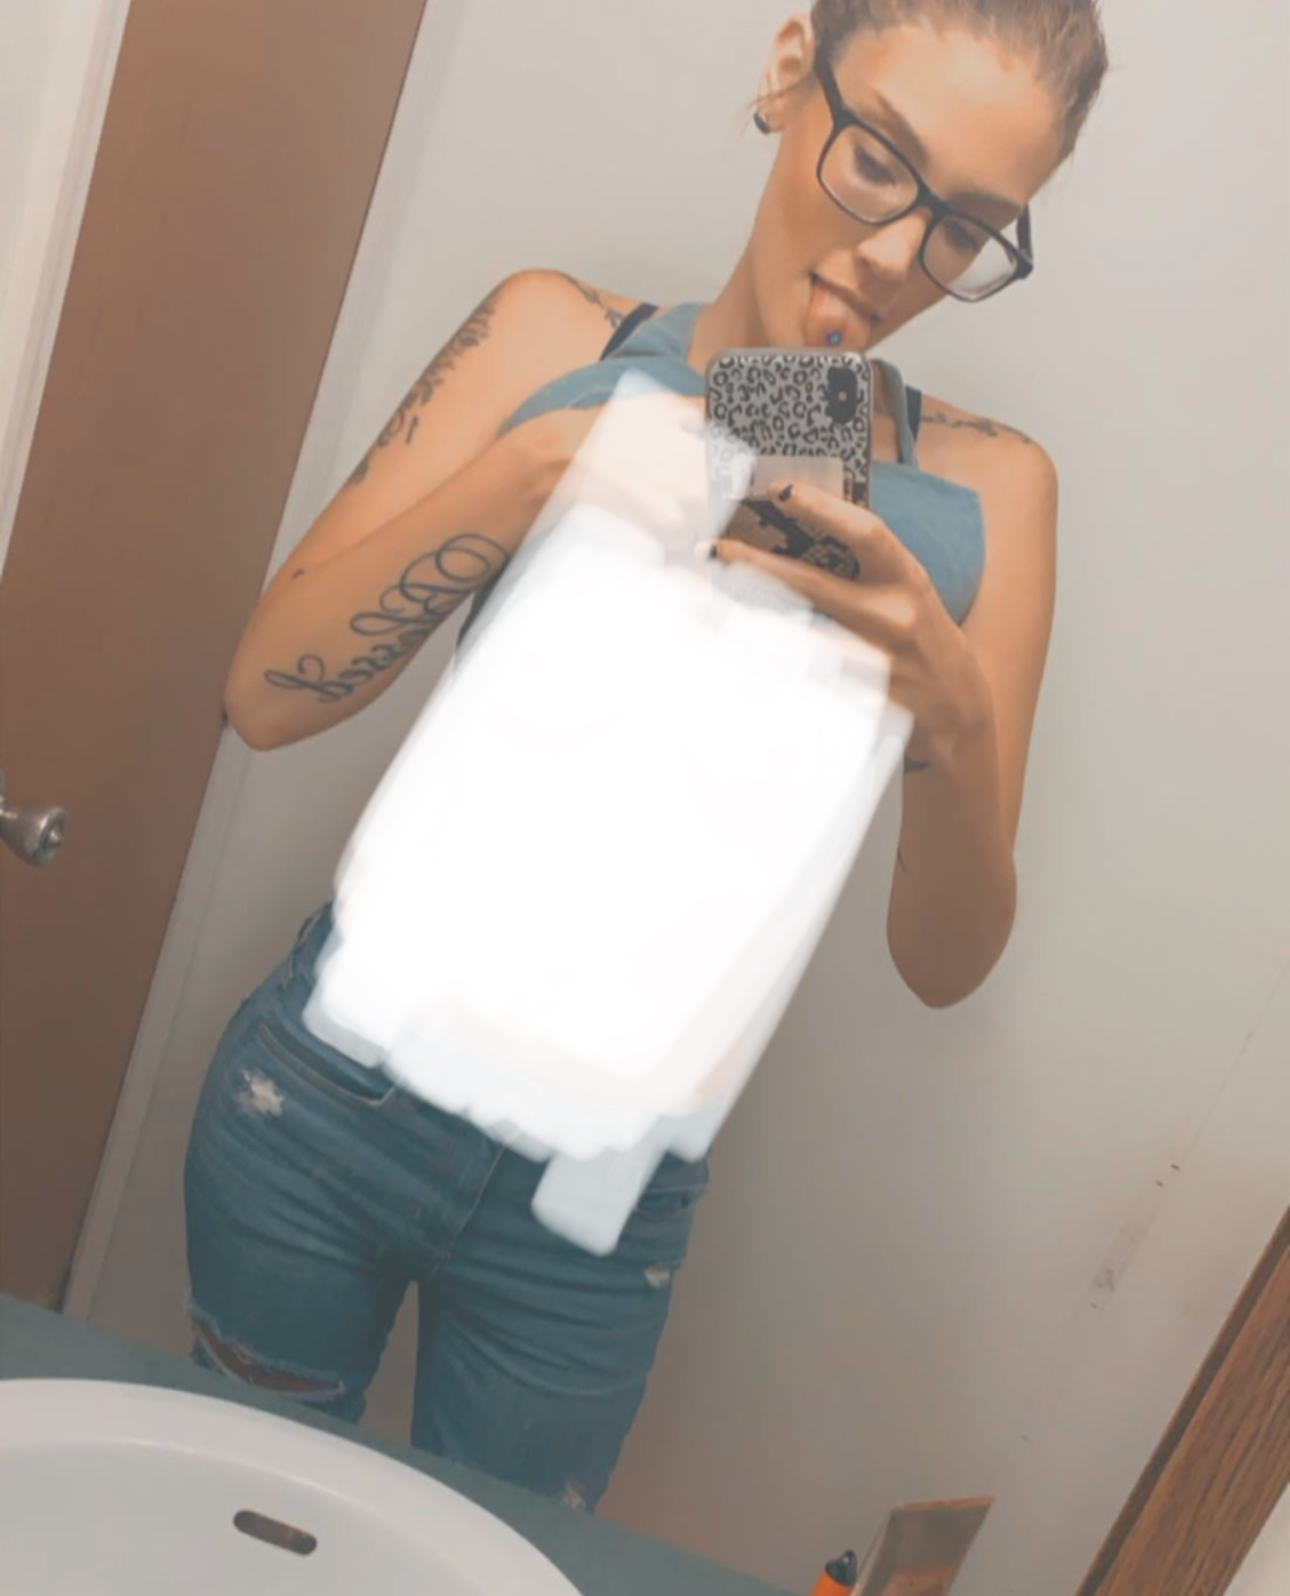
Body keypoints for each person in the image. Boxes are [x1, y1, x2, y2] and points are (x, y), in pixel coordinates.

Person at [185, 1, 1109, 1506]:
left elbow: (943, 965)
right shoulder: (554, 340)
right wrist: (536, 470)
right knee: (242, 1539)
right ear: (790, 73)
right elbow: (266, 698)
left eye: (963, 230)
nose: (895, 256)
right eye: (880, 162)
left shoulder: (991, 494)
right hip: (328, 1105)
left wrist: (947, 714)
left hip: (598, 1211)